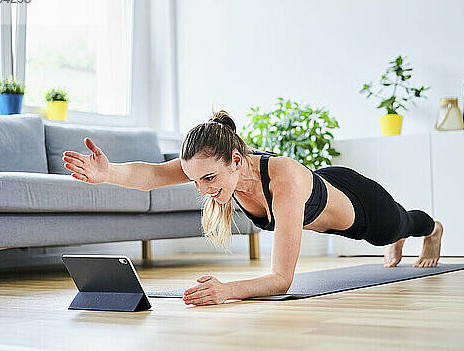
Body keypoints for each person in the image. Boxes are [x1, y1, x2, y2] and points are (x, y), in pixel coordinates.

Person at [62, 110, 443, 306]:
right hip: (323, 189)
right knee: (395, 233)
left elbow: (282, 279)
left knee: (401, 224)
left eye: (209, 179)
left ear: (237, 162)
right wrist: (107, 171)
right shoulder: (211, 163)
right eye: (195, 180)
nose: (202, 189)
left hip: (360, 207)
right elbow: (150, 176)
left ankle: (432, 230)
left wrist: (227, 291)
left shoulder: (284, 181)